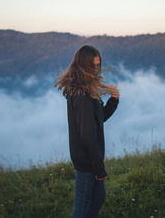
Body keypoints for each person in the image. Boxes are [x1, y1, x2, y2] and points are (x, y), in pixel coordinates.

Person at [55, 45, 120, 218]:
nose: (97, 69)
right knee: (83, 205)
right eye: (94, 65)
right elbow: (88, 135)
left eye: (99, 65)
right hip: (87, 160)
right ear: (84, 65)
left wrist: (113, 102)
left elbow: (97, 121)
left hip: (92, 157)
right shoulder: (81, 94)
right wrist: (99, 167)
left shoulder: (87, 89)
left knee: (98, 198)